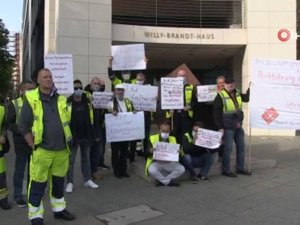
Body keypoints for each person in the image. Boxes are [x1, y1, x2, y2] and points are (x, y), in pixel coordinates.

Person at [19, 68, 75, 225]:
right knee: (38, 185)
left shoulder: (61, 99)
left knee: (58, 183)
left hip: (62, 150)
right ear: (38, 80)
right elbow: (23, 125)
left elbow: (67, 121)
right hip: (42, 151)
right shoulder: (31, 98)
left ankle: (59, 210)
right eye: (44, 77)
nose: (48, 79)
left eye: (50, 76)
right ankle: (36, 216)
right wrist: (32, 144)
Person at [65, 80, 99, 194]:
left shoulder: (88, 101)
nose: (78, 90)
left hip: (86, 135)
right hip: (73, 136)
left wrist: (95, 133)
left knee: (86, 159)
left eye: (80, 87)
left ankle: (87, 179)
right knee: (71, 161)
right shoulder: (67, 102)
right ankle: (69, 182)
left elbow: (93, 118)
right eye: (75, 88)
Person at [213, 77, 251, 178]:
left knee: (241, 147)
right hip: (228, 126)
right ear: (225, 84)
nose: (231, 85)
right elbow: (216, 113)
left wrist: (250, 89)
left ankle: (240, 168)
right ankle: (226, 169)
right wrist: (220, 127)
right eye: (228, 84)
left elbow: (246, 98)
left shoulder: (237, 92)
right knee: (228, 148)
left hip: (238, 125)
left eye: (232, 83)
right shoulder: (220, 95)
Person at [7, 80, 35, 207]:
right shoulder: (15, 103)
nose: (31, 91)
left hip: (35, 140)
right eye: (28, 89)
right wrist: (22, 130)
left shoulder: (36, 101)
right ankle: (18, 196)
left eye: (32, 89)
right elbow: (9, 123)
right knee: (20, 170)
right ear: (22, 90)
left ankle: (31, 193)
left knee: (33, 170)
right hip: (20, 141)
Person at [145, 121, 185, 187]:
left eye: (167, 131)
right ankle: (168, 182)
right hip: (157, 162)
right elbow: (145, 154)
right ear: (159, 130)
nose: (165, 133)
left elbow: (178, 155)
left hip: (169, 163)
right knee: (151, 170)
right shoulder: (152, 138)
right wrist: (150, 151)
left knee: (181, 169)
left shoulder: (173, 139)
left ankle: (162, 181)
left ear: (169, 131)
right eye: (163, 131)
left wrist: (179, 152)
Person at [85, 77, 109, 180]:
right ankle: (87, 173)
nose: (97, 85)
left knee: (98, 150)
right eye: (95, 83)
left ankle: (94, 170)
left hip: (100, 127)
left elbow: (107, 109)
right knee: (87, 151)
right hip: (88, 127)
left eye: (99, 84)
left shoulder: (103, 96)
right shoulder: (85, 95)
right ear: (90, 84)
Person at [109, 83, 134, 178]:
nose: (120, 92)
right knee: (115, 152)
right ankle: (116, 170)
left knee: (124, 151)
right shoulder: (111, 101)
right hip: (115, 132)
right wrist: (112, 112)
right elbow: (106, 112)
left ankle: (123, 170)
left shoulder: (128, 101)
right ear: (115, 91)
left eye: (122, 90)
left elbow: (131, 111)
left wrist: (134, 113)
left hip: (125, 131)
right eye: (118, 90)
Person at [166, 69, 196, 144]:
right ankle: (174, 152)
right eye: (180, 75)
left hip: (185, 115)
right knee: (173, 134)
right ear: (177, 76)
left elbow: (195, 101)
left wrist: (189, 106)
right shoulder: (170, 86)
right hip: (174, 115)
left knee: (185, 134)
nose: (181, 77)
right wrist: (169, 109)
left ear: (185, 77)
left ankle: (183, 151)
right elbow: (165, 100)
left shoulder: (191, 87)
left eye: (183, 76)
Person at [128, 72, 152, 161]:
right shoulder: (131, 88)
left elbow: (153, 99)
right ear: (135, 79)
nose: (139, 81)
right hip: (135, 115)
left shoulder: (149, 88)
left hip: (146, 115)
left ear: (144, 80)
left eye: (141, 79)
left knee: (146, 136)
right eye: (138, 79)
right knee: (134, 136)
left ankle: (145, 153)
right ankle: (131, 155)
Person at [0, 104, 11, 210]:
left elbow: (4, 125)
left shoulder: (1, 109)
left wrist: (3, 135)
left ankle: (3, 201)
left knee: (1, 178)